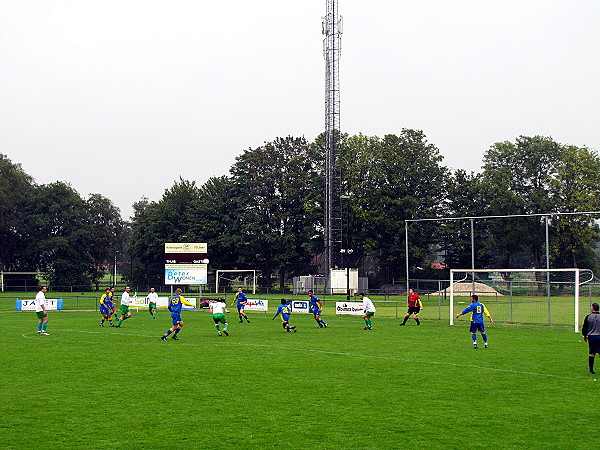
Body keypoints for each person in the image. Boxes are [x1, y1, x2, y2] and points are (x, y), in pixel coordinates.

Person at [582, 302, 600, 375]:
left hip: (592, 337)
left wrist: (584, 335)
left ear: (592, 308)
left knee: (592, 353)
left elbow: (585, 327)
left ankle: (591, 370)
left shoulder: (588, 317)